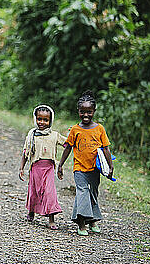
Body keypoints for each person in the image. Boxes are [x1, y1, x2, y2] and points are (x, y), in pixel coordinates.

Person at [57, 90, 114, 236]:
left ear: (94, 111)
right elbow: (68, 147)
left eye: (89, 112)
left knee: (93, 193)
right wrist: (61, 164)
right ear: (78, 111)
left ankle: (93, 220)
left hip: (95, 169)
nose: (86, 115)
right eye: (83, 112)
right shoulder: (75, 129)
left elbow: (106, 148)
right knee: (82, 193)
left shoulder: (99, 129)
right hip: (79, 168)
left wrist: (110, 166)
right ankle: (81, 224)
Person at [18, 105, 65, 230]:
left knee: (50, 193)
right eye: (39, 119)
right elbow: (25, 152)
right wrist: (21, 168)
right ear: (35, 119)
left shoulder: (54, 135)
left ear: (50, 121)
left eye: (45, 120)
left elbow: (67, 144)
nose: (42, 122)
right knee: (34, 192)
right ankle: (31, 211)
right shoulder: (31, 135)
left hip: (48, 168)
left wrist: (75, 136)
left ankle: (51, 219)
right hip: (35, 168)